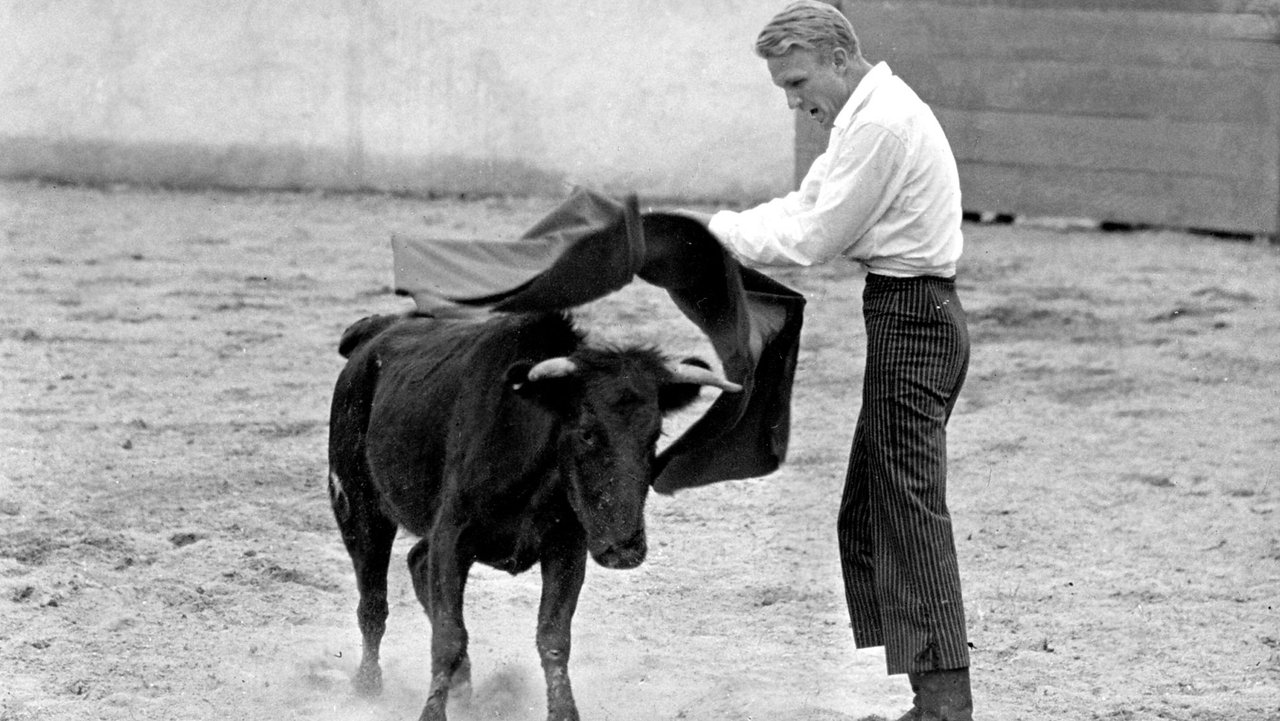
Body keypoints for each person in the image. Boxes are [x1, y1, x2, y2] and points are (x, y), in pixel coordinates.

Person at [688, 2, 975, 719]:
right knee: (880, 502)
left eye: (796, 82)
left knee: (905, 504)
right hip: (908, 314)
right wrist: (713, 233)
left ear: (840, 60)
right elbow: (801, 207)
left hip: (916, 318)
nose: (793, 100)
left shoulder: (878, 123)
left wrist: (711, 237)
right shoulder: (863, 117)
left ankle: (944, 703)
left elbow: (813, 238)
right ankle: (933, 695)